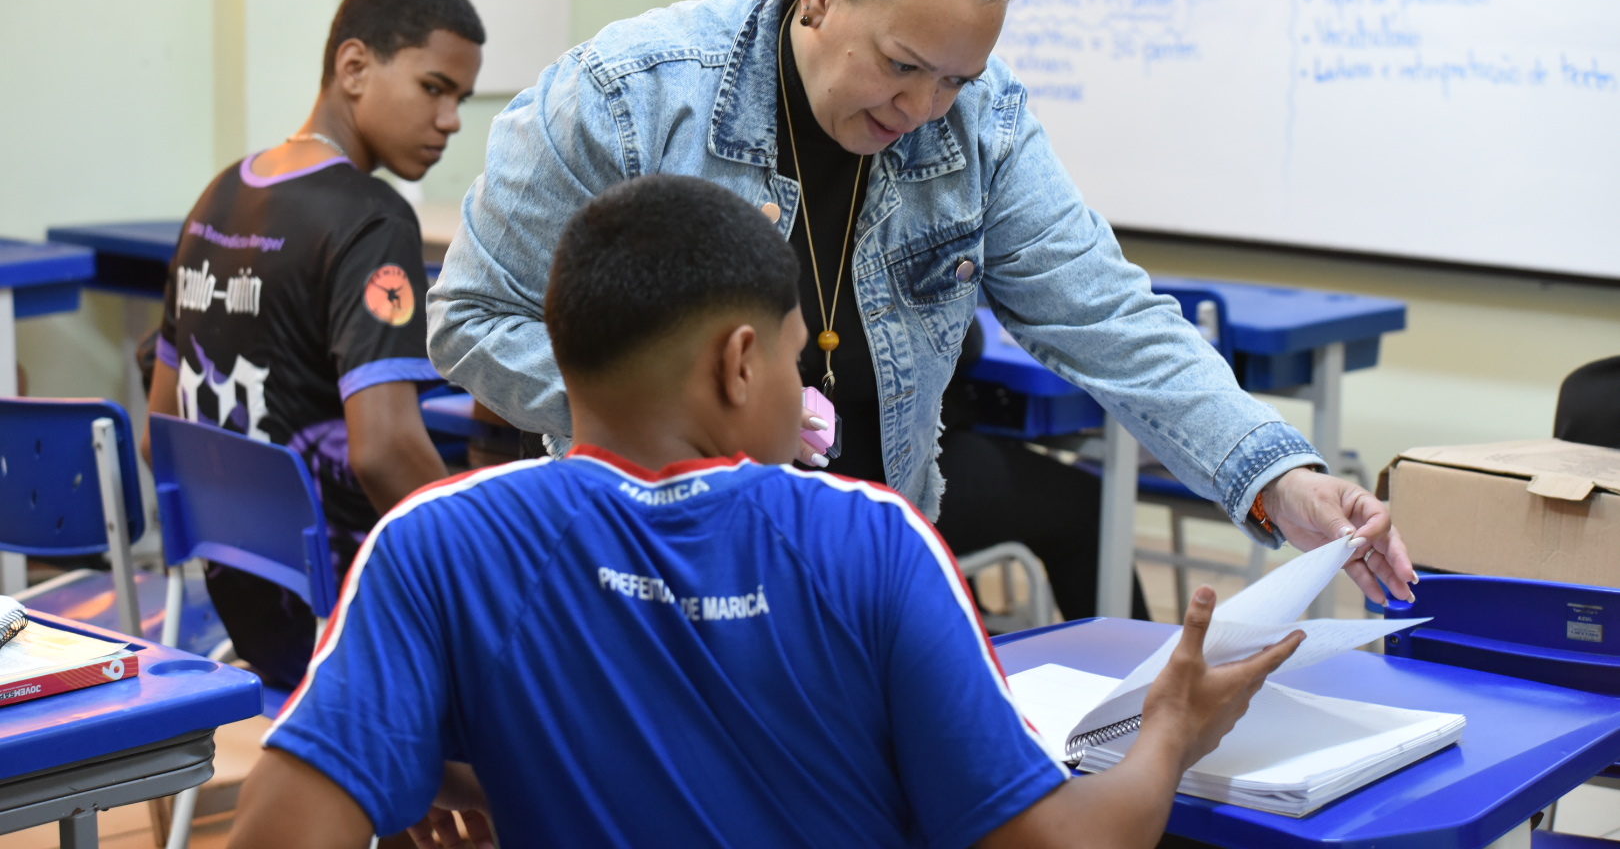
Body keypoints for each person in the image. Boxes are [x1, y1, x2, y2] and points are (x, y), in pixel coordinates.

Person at [426, 0, 1416, 607]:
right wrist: (685, 424)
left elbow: (1109, 316)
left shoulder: (976, 123)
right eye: (902, 66)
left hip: (870, 564)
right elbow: (468, 320)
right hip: (653, 565)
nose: (922, 109)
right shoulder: (623, 97)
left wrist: (1278, 478)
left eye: (955, 78)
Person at [226, 174, 1304, 849]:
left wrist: (413, 767)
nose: (807, 390)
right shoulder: (874, 543)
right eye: (800, 358)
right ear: (741, 365)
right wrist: (1169, 729)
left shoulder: (436, 544)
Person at [142, 0, 485, 688]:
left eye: (460, 97)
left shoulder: (219, 193)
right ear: (354, 66)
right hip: (353, 620)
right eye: (434, 88)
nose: (452, 119)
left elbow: (157, 432)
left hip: (247, 611)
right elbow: (386, 451)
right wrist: (482, 563)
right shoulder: (372, 218)